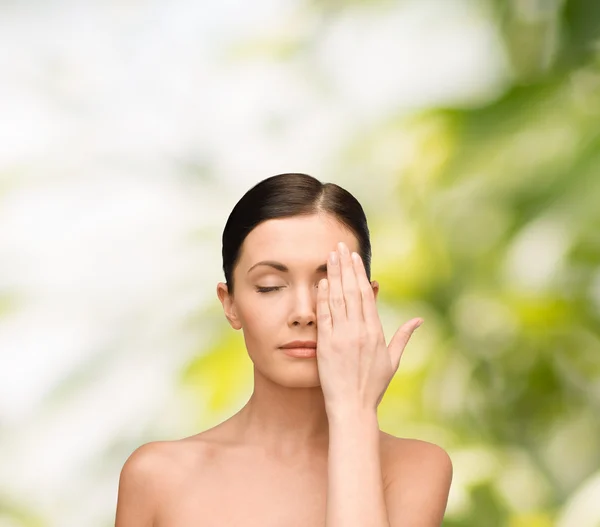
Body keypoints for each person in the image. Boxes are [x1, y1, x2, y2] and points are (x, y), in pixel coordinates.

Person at [115, 173, 453, 526]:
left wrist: (355, 411)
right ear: (230, 304)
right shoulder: (157, 476)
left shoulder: (416, 467)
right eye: (270, 286)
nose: (303, 313)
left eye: (328, 286)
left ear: (366, 301)